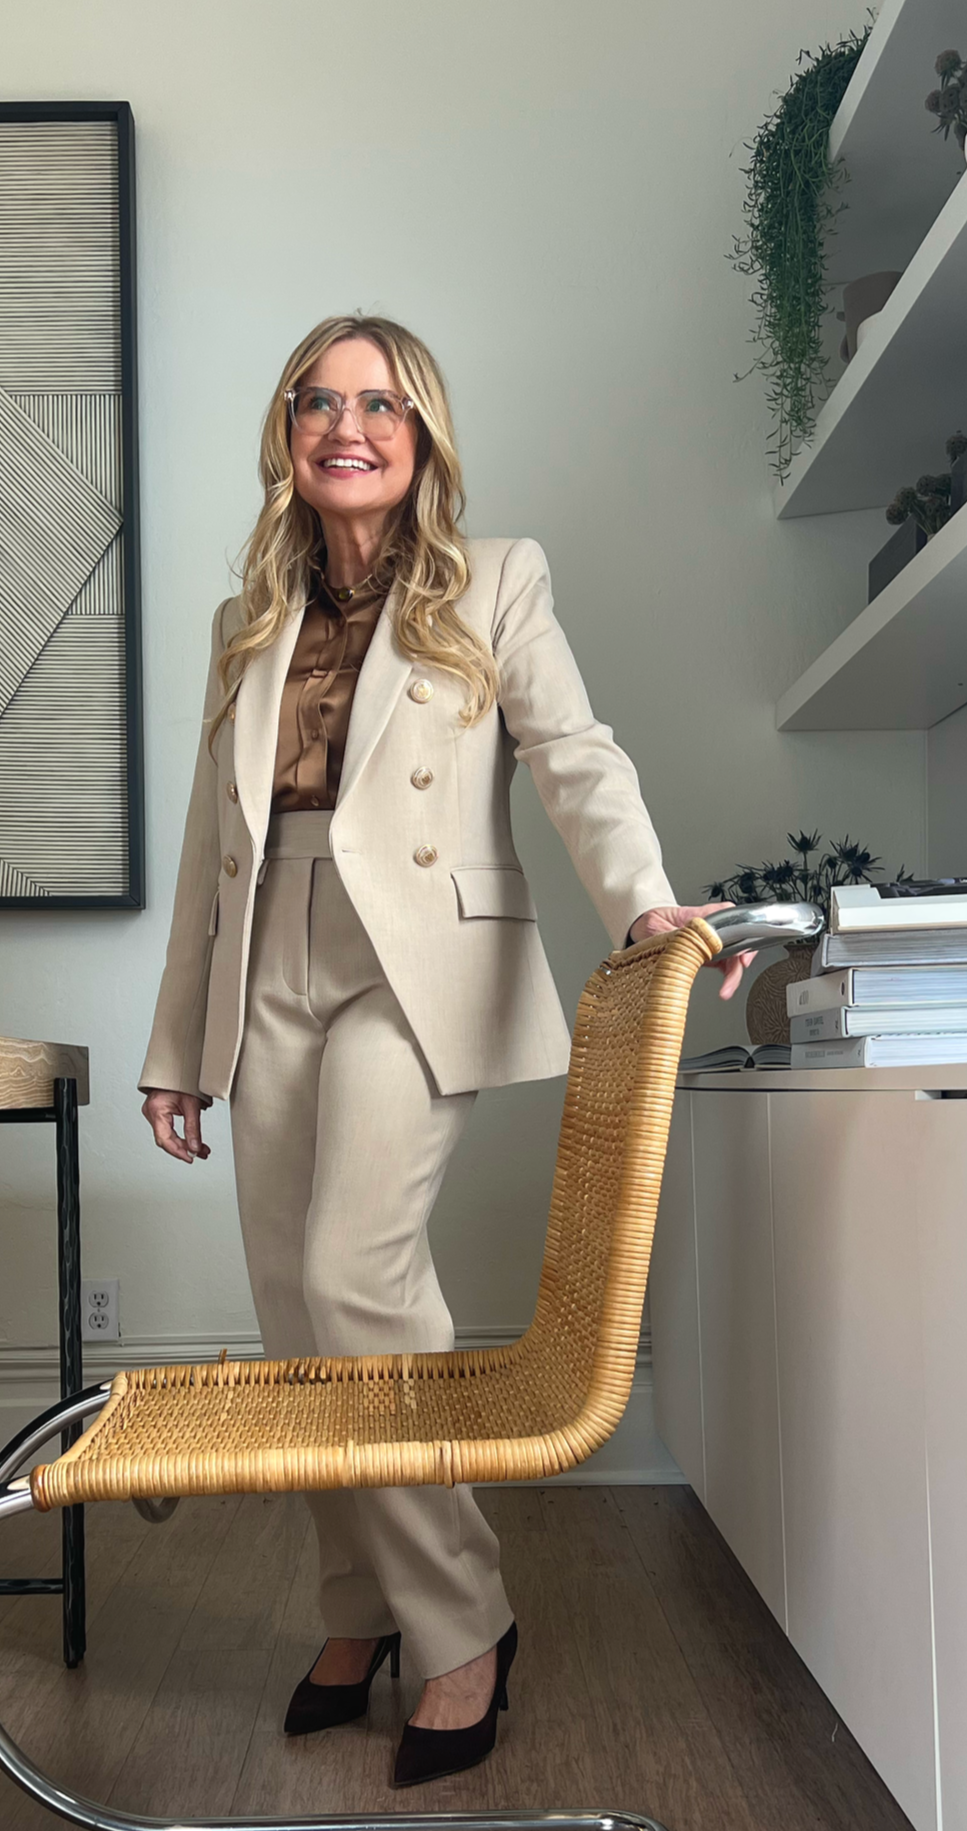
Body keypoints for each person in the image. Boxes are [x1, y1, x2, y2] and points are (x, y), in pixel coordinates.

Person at [139, 314, 749, 1788]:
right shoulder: (251, 617)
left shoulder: (494, 579)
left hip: (412, 962)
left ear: (422, 435)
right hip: (263, 952)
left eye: (380, 404)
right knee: (298, 1308)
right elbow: (212, 848)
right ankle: (358, 1609)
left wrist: (644, 898)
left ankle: (462, 1621)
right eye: (318, 401)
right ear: (290, 432)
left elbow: (573, 751)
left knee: (359, 1276)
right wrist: (176, 1045)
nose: (347, 426)